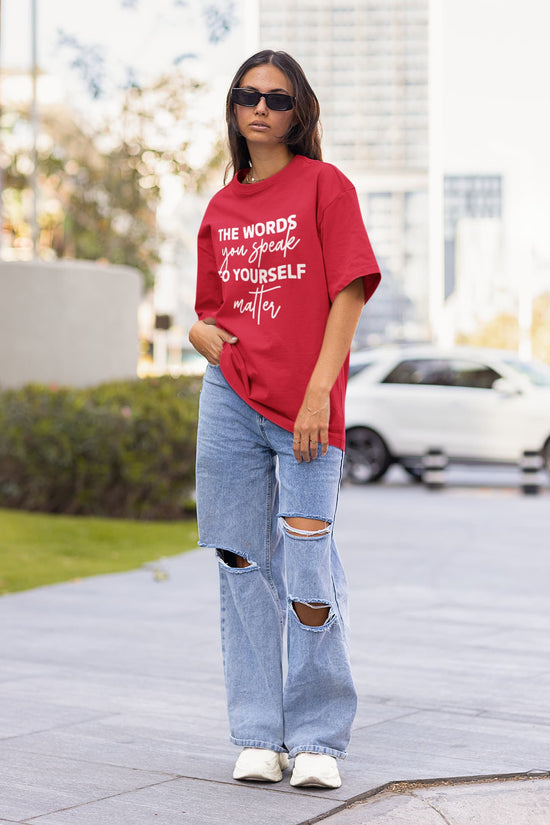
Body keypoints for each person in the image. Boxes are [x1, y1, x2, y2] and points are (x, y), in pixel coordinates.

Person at [189, 49, 380, 790]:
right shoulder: (221, 207)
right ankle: (258, 734)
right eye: (248, 96)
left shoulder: (325, 186)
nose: (261, 108)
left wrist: (317, 392)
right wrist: (199, 334)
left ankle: (320, 737)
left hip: (306, 405)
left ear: (300, 111)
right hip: (229, 396)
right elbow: (209, 309)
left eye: (277, 97)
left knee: (306, 566)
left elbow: (350, 290)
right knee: (240, 560)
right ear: (234, 110)